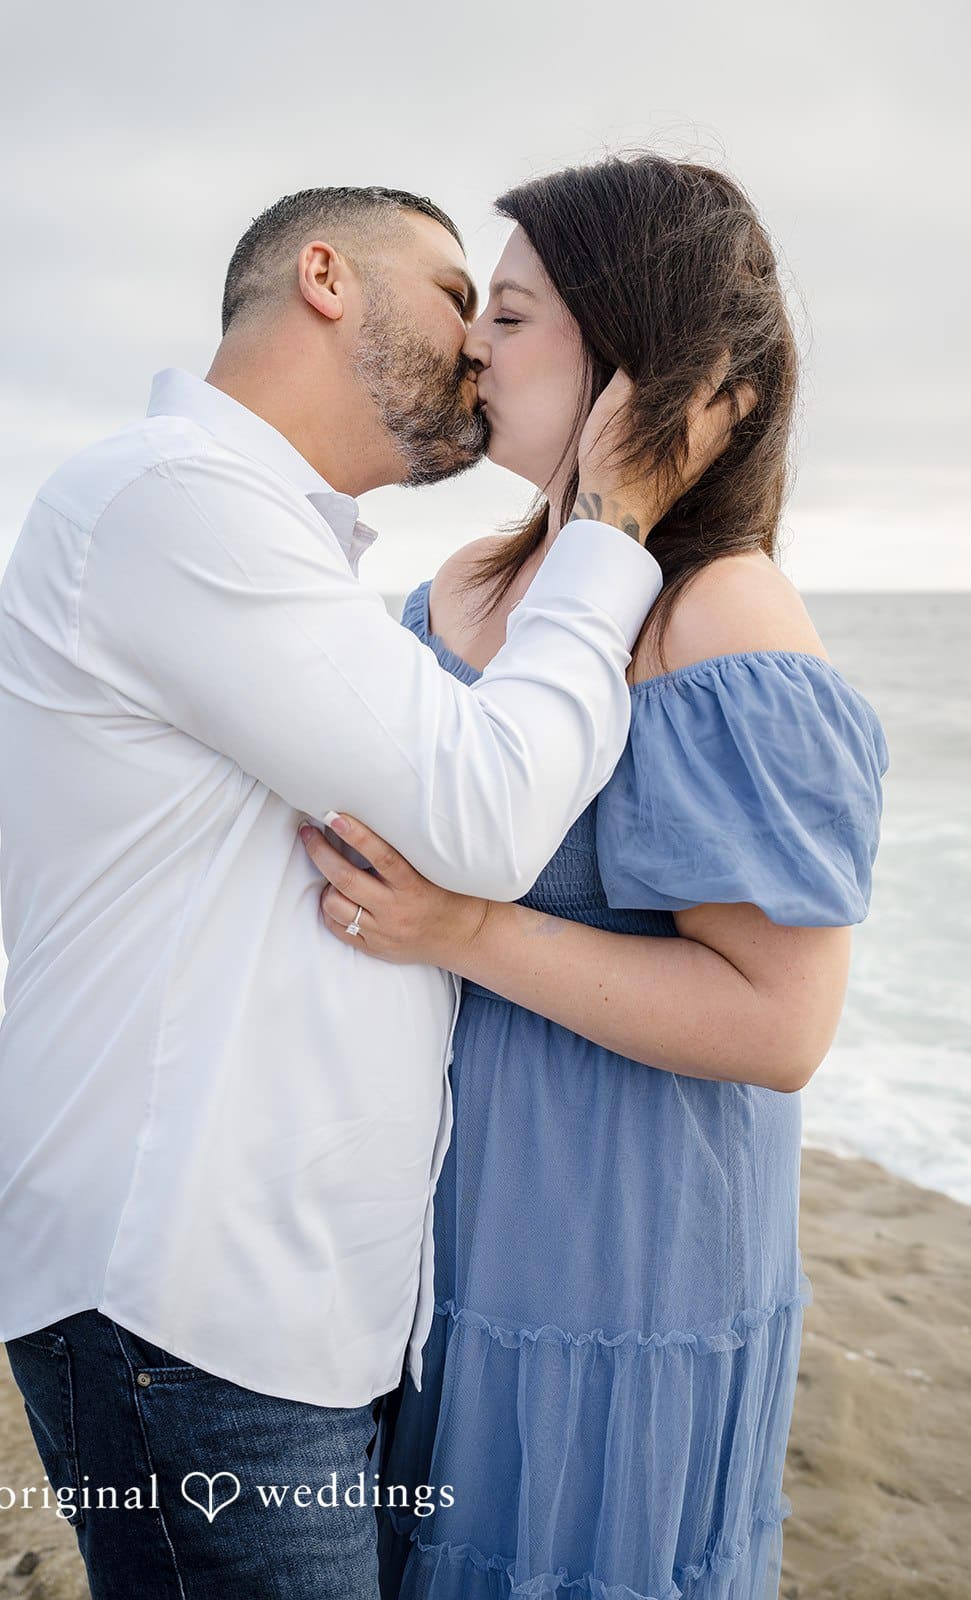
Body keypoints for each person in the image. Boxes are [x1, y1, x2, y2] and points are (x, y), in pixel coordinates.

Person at [0, 184, 743, 1599]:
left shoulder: (276, 543)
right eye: (460, 293)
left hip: (271, 1312)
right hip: (187, 1310)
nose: (479, 345)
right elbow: (485, 813)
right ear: (325, 276)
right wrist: (619, 520)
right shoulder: (174, 501)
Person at [297, 157, 890, 1600]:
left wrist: (466, 930)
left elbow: (778, 1027)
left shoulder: (721, 613)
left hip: (615, 1255)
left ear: (636, 351)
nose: (471, 347)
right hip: (432, 1218)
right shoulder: (459, 588)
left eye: (509, 313)